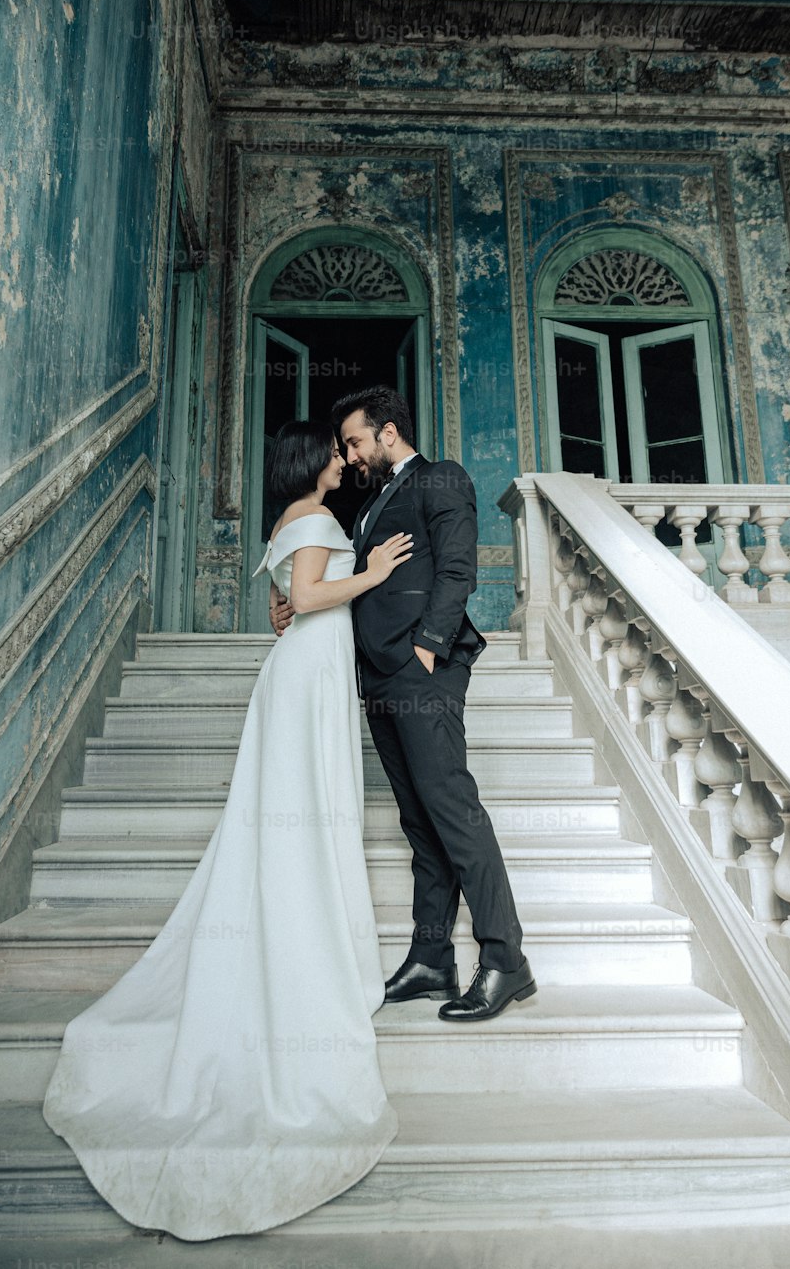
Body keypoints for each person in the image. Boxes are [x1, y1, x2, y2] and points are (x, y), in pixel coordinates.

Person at [42, 421, 411, 1240]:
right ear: (311, 462)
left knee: (294, 816)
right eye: (332, 452)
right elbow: (310, 601)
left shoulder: (285, 522)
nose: (341, 462)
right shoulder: (317, 521)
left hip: (299, 674)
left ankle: (300, 919)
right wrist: (375, 570)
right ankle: (306, 944)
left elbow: (283, 609)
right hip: (307, 680)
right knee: (305, 815)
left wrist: (308, 599)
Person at [330, 385, 536, 1022]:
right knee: (419, 822)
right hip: (380, 676)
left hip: (422, 672)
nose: (352, 455)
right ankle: (431, 959)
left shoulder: (440, 478)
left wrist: (428, 647)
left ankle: (505, 960)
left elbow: (456, 568)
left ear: (388, 432)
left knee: (453, 811)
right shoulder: (372, 503)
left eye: (357, 441)